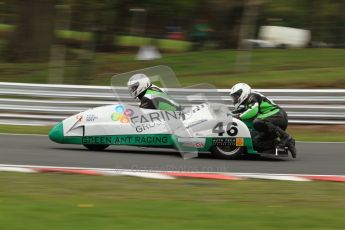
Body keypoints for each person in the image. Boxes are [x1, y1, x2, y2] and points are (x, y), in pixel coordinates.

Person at [229, 83, 296, 158]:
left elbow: (253, 110)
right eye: (234, 97)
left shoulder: (252, 96)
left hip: (278, 115)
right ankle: (278, 145)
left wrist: (239, 116)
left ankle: (286, 137)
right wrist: (230, 113)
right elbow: (242, 110)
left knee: (257, 122)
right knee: (255, 142)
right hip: (271, 121)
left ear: (243, 92)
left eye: (236, 96)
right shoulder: (248, 102)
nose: (235, 98)